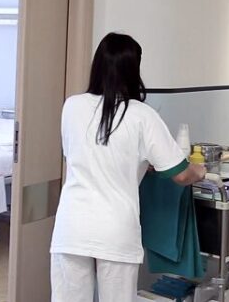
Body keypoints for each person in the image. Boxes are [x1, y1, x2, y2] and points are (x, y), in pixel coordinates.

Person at [50, 33, 207, 302]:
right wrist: (199, 170)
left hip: (72, 226)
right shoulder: (141, 115)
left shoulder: (72, 106)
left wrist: (139, 164)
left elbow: (85, 155)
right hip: (115, 229)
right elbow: (181, 174)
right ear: (133, 69)